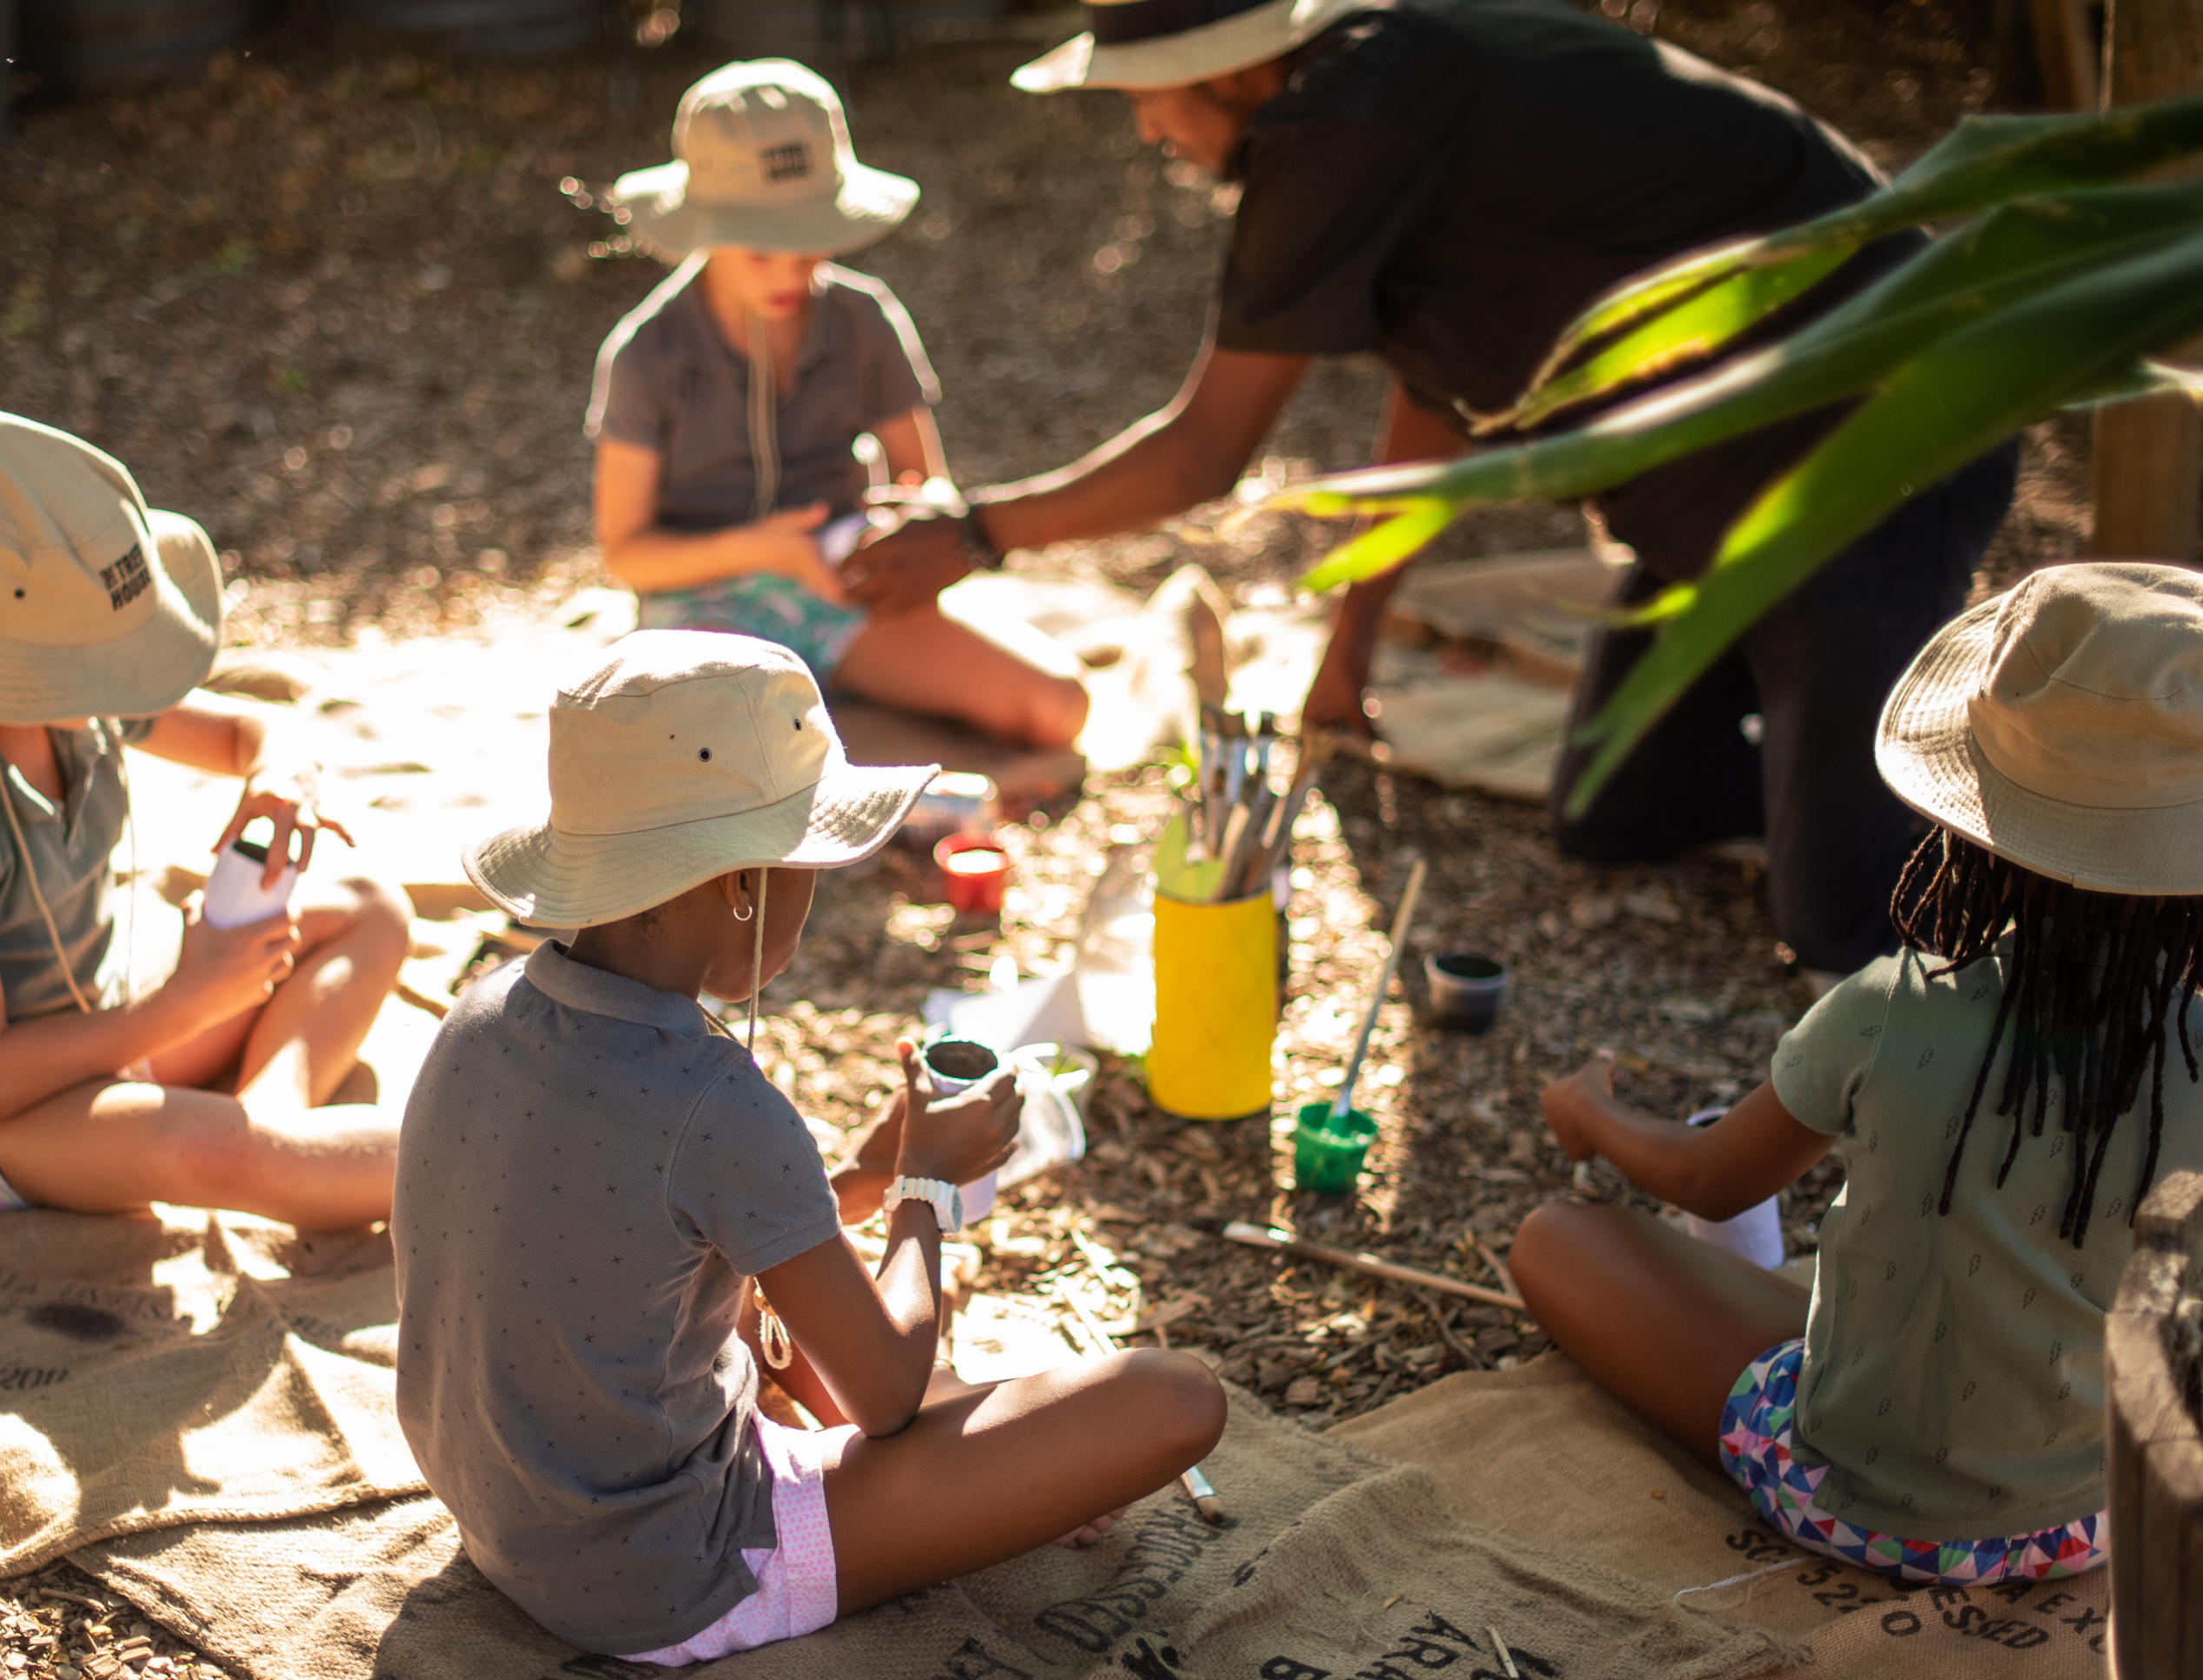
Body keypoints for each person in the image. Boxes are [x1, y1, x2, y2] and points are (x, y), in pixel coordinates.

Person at [840, 0, 2017, 978]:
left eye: (1148, 90)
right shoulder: (1379, 96)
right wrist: (1351, 642)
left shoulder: (1344, 126)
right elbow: (1439, 395)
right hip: (1710, 487)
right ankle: (1843, 768)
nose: (1146, 126)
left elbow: (1207, 453)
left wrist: (979, 533)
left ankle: (2035, 824)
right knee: (1616, 816)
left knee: (1839, 925)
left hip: (1876, 448)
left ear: (1238, 65)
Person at [392, 629, 1222, 1663]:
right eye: (807, 867)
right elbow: (887, 1397)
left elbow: (633, 1235)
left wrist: (862, 1180)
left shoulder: (479, 1014)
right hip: (665, 1574)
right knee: (1174, 1398)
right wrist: (923, 1186)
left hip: (512, 1517)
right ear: (741, 884)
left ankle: (995, 1469)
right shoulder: (713, 1101)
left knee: (869, 1361)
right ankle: (995, 1482)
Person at [1508, 564, 2203, 1584]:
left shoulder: (1893, 1007)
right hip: (2089, 1522)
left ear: (1977, 818)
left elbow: (1708, 1179)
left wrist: (1592, 1113)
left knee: (1555, 1239)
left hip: (1844, 1499)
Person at [0, 408, 410, 1231]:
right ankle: (282, 1157)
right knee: (209, 1150)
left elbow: (249, 732)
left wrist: (280, 774)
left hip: (99, 1015)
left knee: (371, 909)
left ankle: (270, 1137)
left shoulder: (67, 691)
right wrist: (186, 1006)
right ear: (10, 663)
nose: (120, 682)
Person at [591, 59, 1090, 752]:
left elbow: (927, 484)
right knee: (709, 764)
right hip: (702, 599)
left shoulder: (862, 316)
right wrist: (760, 550)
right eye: (763, 250)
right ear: (703, 227)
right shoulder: (648, 352)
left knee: (1057, 707)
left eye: (809, 241)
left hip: (843, 582)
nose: (793, 271)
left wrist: (901, 528)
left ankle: (839, 711)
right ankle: (827, 724)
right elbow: (628, 554)